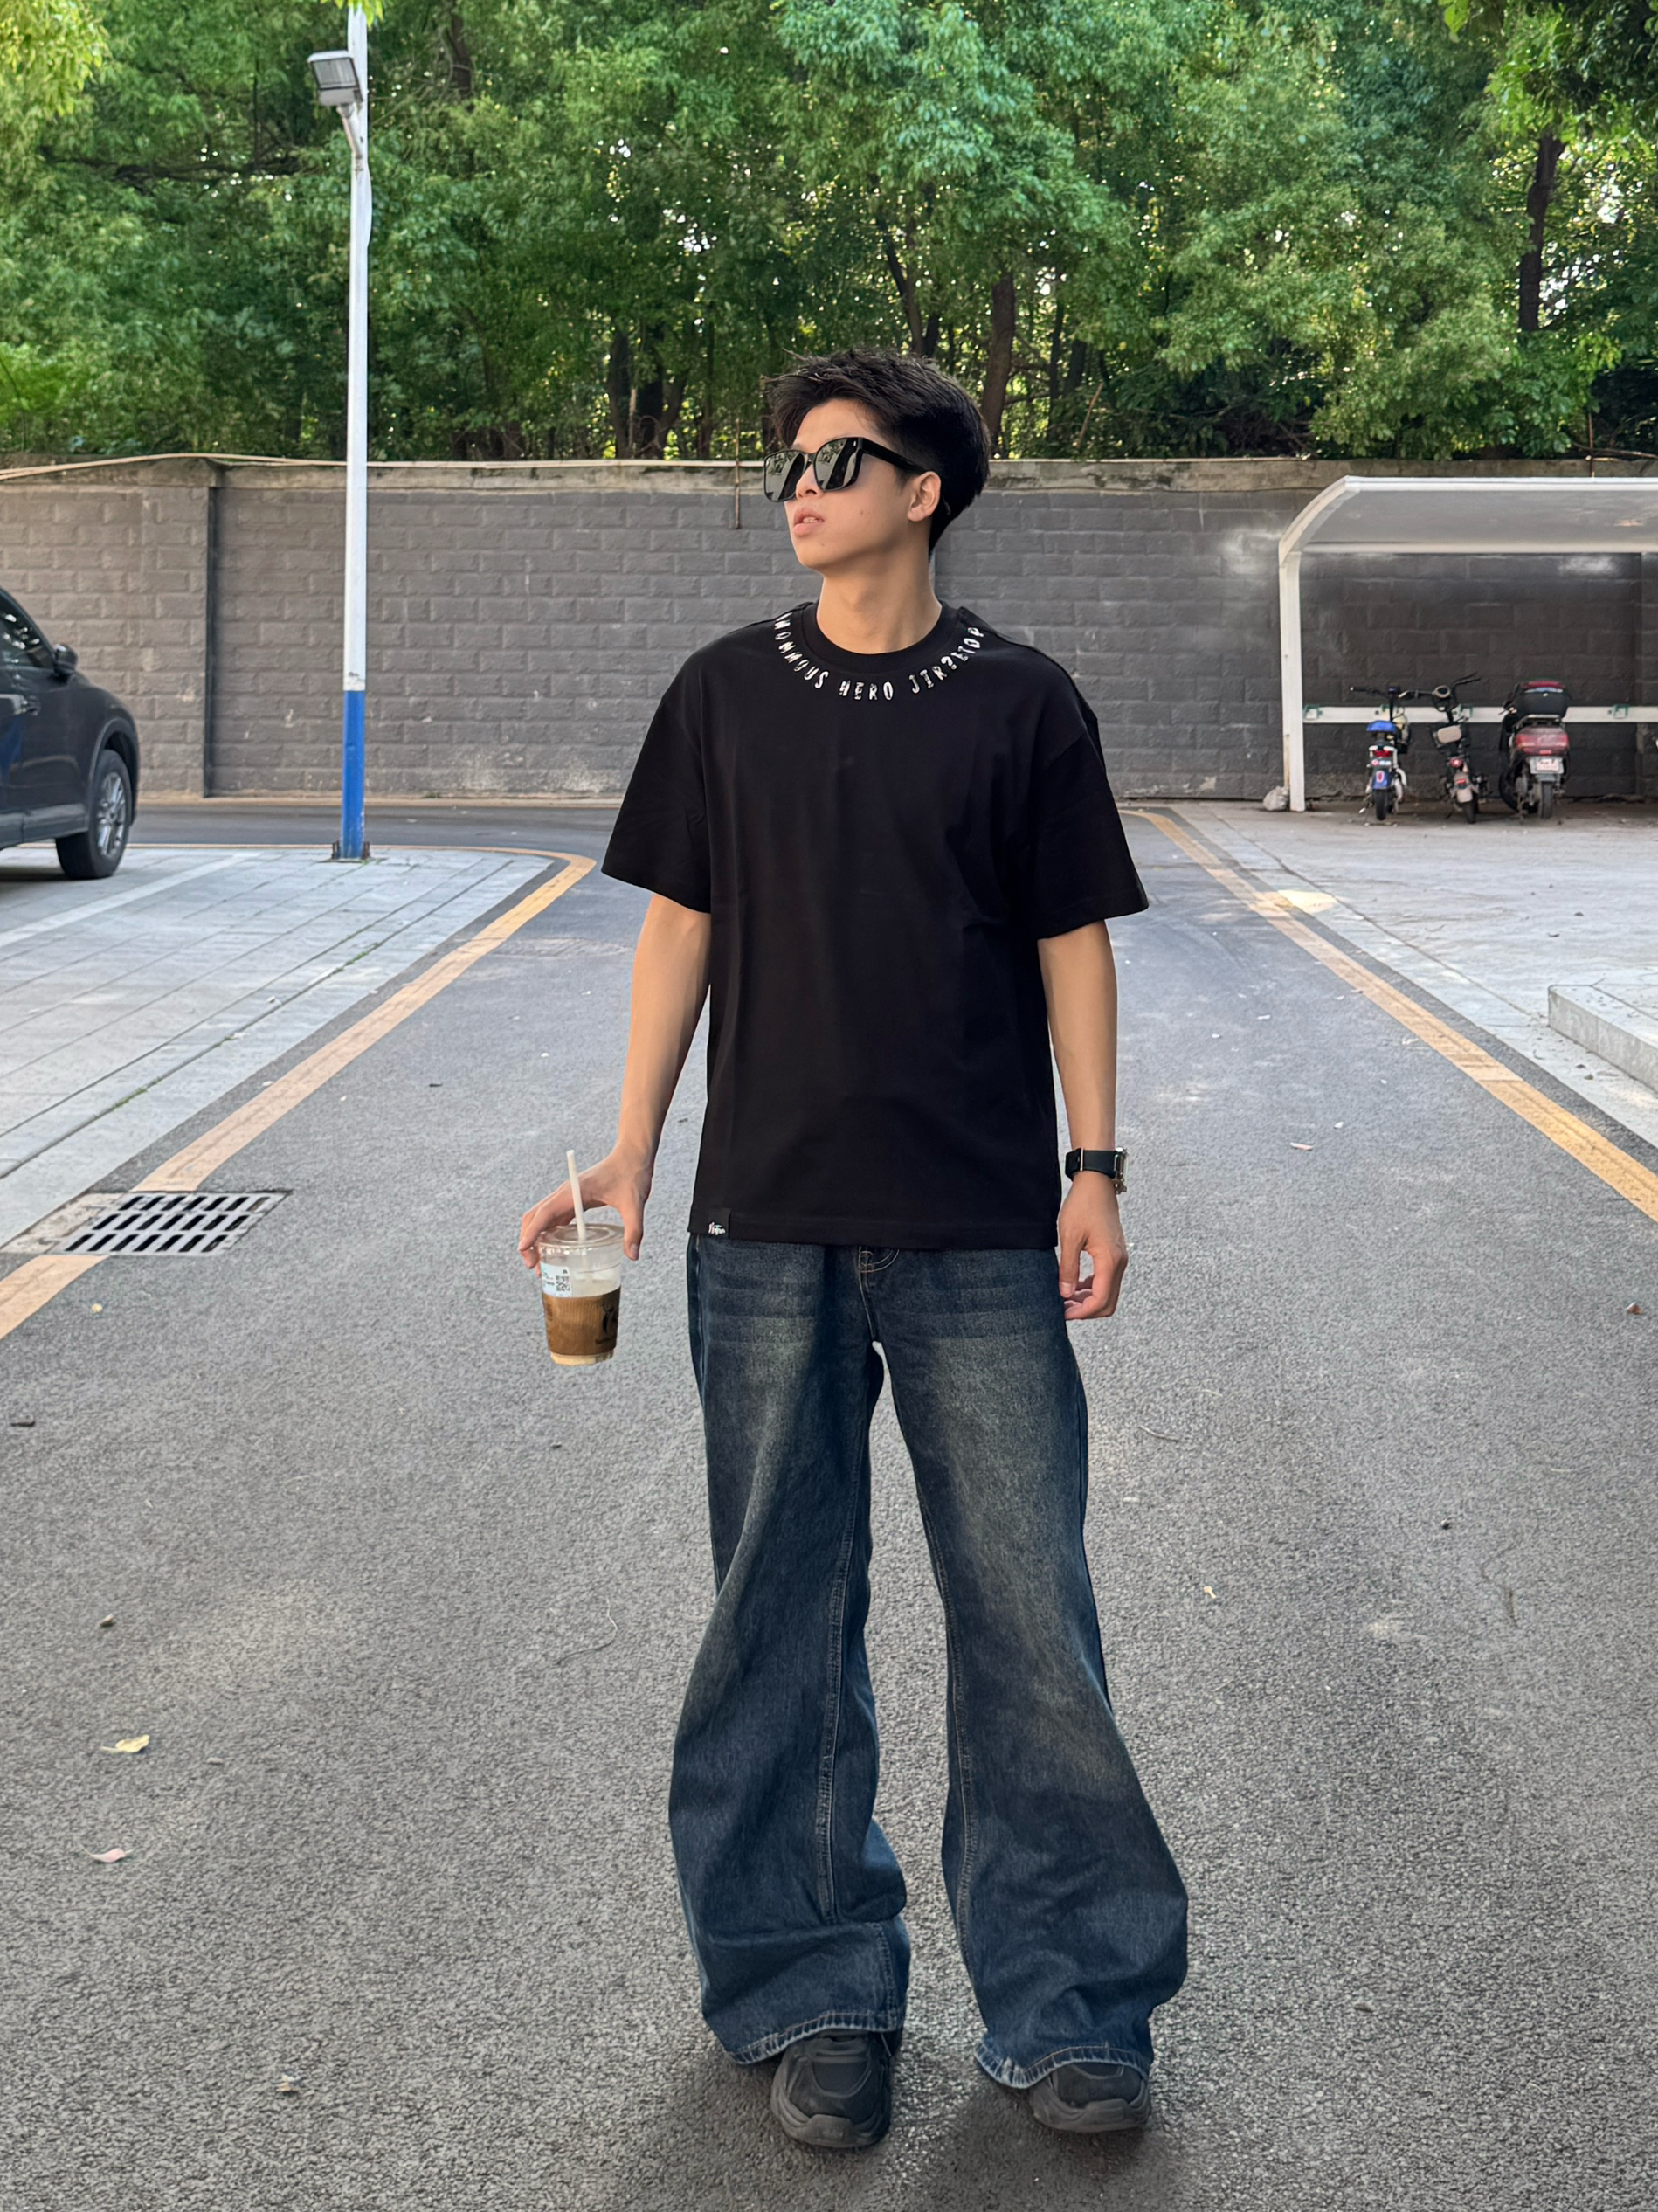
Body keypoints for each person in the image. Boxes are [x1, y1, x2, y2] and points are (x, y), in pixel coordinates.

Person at [518, 348, 1187, 2152]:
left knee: (1029, 1619)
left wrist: (1095, 1167)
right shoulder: (724, 694)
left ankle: (1074, 2002)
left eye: (836, 461)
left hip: (978, 1225)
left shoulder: (1022, 703)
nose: (799, 489)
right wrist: (631, 1150)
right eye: (790, 466)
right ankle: (811, 1988)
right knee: (780, 1615)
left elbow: (1071, 940)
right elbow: (680, 929)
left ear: (923, 491)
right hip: (765, 1225)